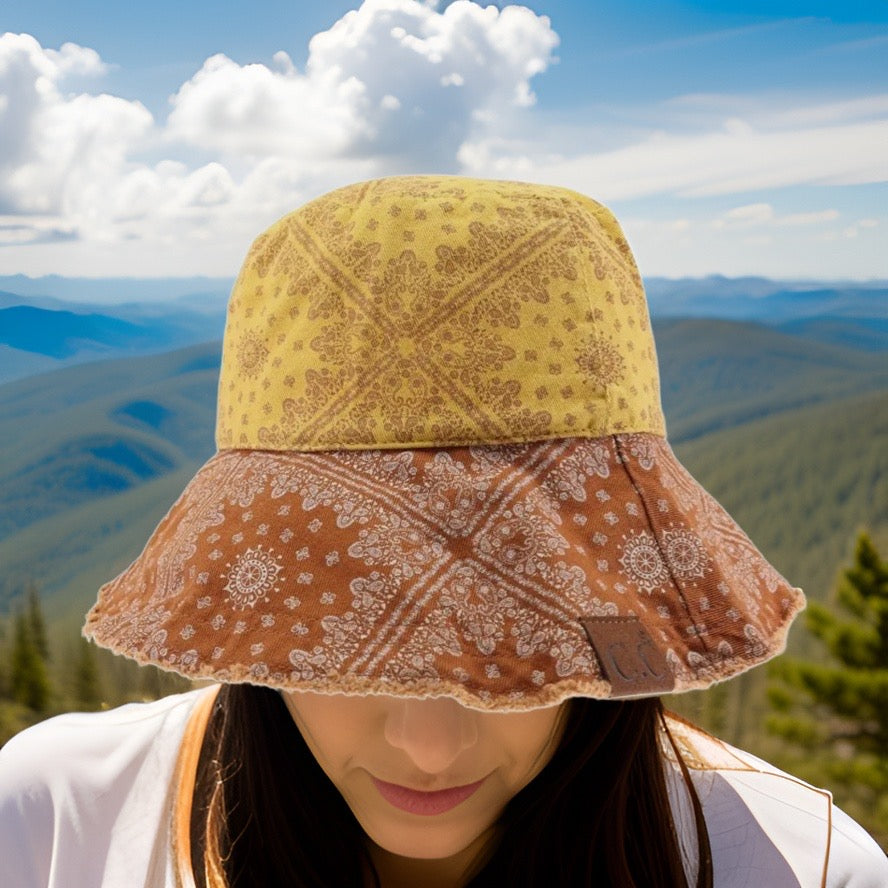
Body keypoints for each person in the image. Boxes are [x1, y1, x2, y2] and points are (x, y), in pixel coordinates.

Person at [0, 176, 885, 888]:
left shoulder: (808, 868)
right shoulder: (49, 817)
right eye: (351, 623)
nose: (431, 746)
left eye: (516, 630)